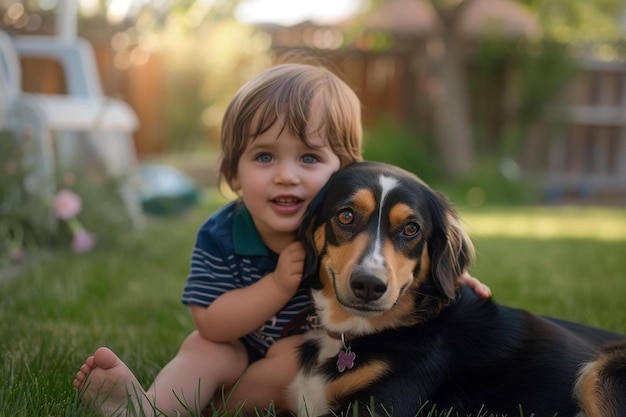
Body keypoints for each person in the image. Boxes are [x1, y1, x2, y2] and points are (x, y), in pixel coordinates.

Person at [73, 62, 491, 417]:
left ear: (343, 173)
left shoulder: (346, 222)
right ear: (234, 174)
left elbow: (412, 233)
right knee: (201, 348)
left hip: (296, 356)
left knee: (298, 357)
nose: (286, 175)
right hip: (232, 343)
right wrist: (276, 286)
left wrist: (456, 275)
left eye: (308, 158)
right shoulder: (223, 234)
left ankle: (213, 406)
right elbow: (211, 322)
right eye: (264, 156)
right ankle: (146, 407)